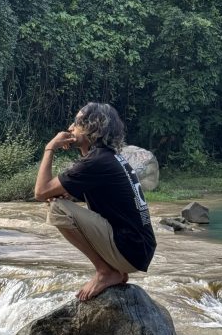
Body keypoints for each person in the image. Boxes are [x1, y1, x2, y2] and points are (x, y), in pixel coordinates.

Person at [34, 102, 157, 301]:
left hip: (130, 249)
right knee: (60, 200)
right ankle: (112, 271)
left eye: (76, 123)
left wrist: (50, 148)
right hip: (138, 249)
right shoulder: (110, 158)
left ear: (92, 127)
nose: (70, 128)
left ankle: (105, 271)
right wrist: (69, 194)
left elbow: (40, 192)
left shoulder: (96, 162)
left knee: (57, 209)